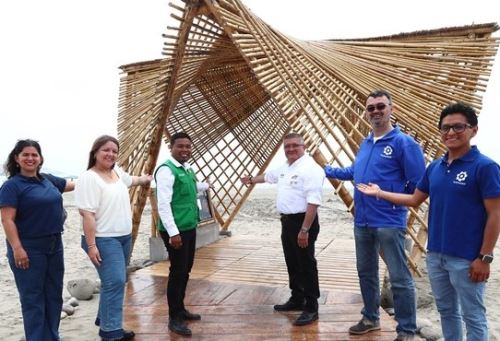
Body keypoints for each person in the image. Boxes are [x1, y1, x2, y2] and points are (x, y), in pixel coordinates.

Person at [357, 102, 500, 341]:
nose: (451, 133)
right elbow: (414, 199)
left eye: (458, 127)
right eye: (445, 128)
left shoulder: (485, 167)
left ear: (473, 130)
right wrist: (380, 192)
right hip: (436, 255)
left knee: (473, 316)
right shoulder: (435, 167)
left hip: (467, 258)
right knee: (447, 312)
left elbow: (496, 214)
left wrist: (484, 257)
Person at [324, 90, 425, 340]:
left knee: (400, 277)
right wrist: (327, 169)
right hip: (363, 220)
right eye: (371, 108)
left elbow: (417, 186)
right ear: (366, 112)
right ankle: (370, 317)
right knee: (365, 272)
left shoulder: (404, 143)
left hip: (389, 220)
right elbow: (355, 172)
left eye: (381, 106)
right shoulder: (366, 142)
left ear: (391, 108)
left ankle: (407, 331)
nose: (376, 111)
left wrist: (386, 195)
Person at [241, 132, 325, 326]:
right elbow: (269, 177)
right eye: (287, 147)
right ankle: (297, 298)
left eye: (295, 145)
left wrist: (304, 230)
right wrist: (251, 179)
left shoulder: (310, 168)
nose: (290, 149)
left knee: (306, 264)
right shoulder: (285, 167)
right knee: (292, 262)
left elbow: (313, 202)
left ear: (303, 147)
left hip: (303, 222)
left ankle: (311, 307)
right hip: (286, 222)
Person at [75, 135, 152, 341]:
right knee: (115, 281)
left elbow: (132, 180)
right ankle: (111, 333)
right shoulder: (88, 178)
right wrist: (91, 246)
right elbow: (87, 215)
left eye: (114, 151)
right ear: (95, 153)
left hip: (123, 238)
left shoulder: (116, 172)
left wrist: (145, 179)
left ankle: (108, 322)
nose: (110, 154)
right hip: (102, 240)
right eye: (106, 150)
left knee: (116, 282)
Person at [0, 139, 74, 341]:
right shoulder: (11, 186)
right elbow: (7, 219)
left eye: (34, 155)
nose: (30, 158)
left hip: (54, 246)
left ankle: (52, 336)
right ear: (17, 159)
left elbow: (73, 185)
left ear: (40, 158)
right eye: (25, 155)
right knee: (32, 299)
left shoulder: (47, 180)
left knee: (53, 295)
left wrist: (103, 175)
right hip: (28, 248)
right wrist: (17, 248)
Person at [155, 132, 211, 337]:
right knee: (177, 272)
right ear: (171, 147)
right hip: (175, 230)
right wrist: (173, 233)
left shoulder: (186, 169)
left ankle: (180, 308)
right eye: (180, 146)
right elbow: (163, 204)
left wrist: (205, 185)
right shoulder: (166, 170)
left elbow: (190, 187)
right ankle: (174, 318)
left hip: (188, 226)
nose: (185, 150)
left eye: (188, 146)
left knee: (185, 269)